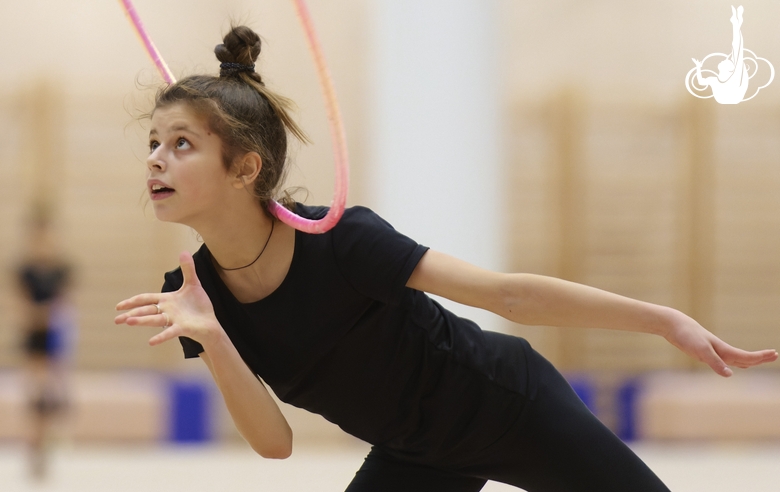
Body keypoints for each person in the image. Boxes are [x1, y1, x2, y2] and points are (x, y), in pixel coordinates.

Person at [115, 26, 778, 492]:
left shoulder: (341, 239)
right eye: (152, 141)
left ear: (244, 168)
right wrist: (212, 337)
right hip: (417, 452)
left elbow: (506, 296)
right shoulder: (193, 294)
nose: (154, 158)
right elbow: (274, 444)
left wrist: (663, 320)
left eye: (180, 143)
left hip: (506, 404)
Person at [15, 209, 72, 479]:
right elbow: (22, 309)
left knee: (53, 397)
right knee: (36, 395)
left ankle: (45, 443)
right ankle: (35, 444)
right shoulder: (25, 271)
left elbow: (66, 306)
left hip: (56, 338)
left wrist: (48, 316)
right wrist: (40, 315)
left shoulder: (62, 270)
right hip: (33, 339)